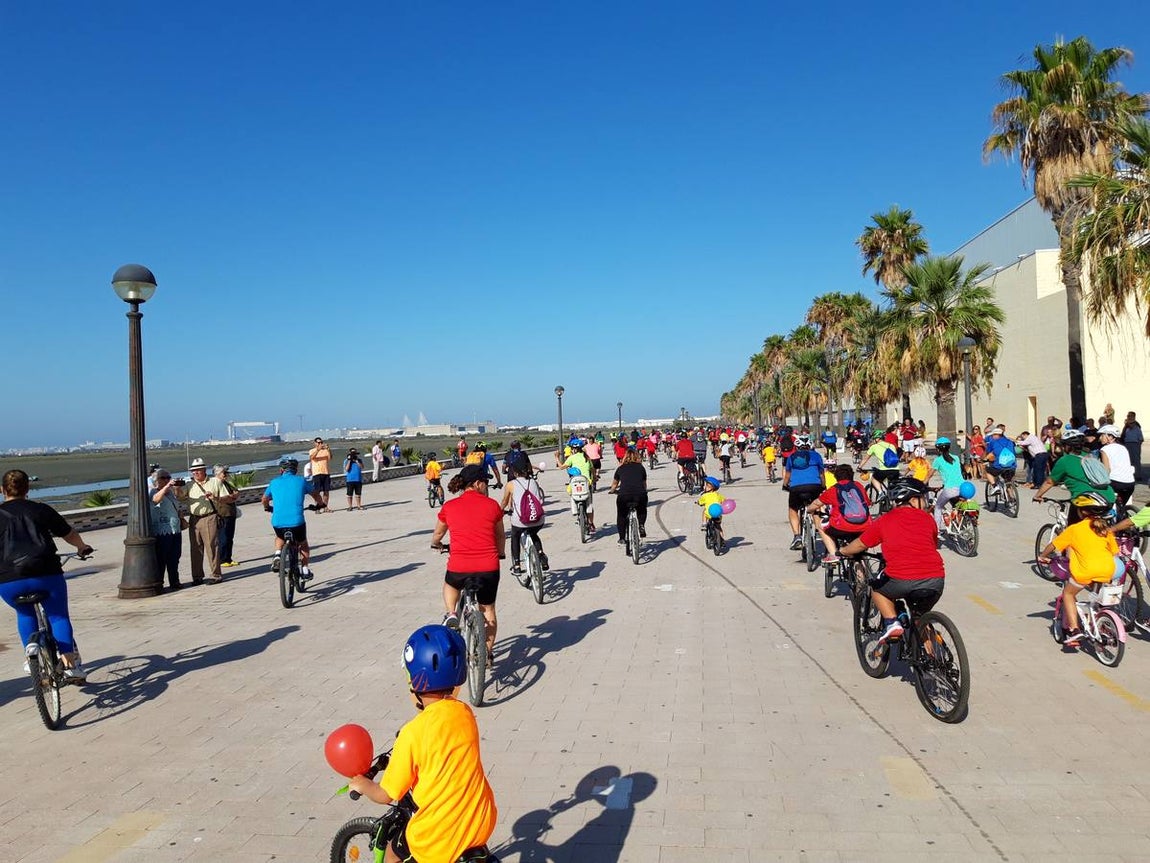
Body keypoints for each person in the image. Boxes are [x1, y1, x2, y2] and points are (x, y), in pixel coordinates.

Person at [348, 625, 498, 863]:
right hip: (479, 821)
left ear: (413, 681)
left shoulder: (412, 733)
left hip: (437, 837)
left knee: (393, 855)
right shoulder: (464, 714)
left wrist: (363, 785)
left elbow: (386, 794)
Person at [0, 469, 93, 681]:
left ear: (2, 490)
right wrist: (82, 547)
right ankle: (70, 665)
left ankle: (30, 653)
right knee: (58, 616)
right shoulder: (40, 510)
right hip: (45, 573)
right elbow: (68, 533)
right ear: (28, 489)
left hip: (8, 580)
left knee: (24, 614)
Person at [840, 478, 946, 644]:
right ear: (912, 500)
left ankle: (891, 623)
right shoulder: (928, 519)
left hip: (902, 579)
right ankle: (933, 663)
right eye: (923, 498)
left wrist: (843, 551)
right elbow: (932, 544)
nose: (926, 502)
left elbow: (860, 544)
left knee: (876, 588)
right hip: (936, 580)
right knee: (920, 619)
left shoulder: (884, 520)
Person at [430, 464, 505, 652]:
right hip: (488, 567)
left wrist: (437, 545)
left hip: (459, 567)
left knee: (451, 584)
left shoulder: (449, 506)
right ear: (478, 484)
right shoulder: (492, 505)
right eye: (486, 482)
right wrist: (501, 553)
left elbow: (437, 535)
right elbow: (500, 536)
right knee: (488, 610)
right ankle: (486, 654)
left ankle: (451, 612)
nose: (487, 486)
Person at [1037, 492, 1121, 647]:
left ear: (1082, 511)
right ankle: (1098, 621)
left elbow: (1054, 545)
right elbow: (1115, 552)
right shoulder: (1105, 530)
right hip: (1108, 569)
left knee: (1068, 594)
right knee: (1095, 598)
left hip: (1085, 571)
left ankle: (1075, 630)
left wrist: (1042, 556)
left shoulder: (1074, 529)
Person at [1033, 428, 1117, 524]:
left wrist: (1037, 496)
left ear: (1067, 447)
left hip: (1087, 500)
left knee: (1072, 529)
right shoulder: (1090, 456)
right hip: (1108, 498)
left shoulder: (1065, 460)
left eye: (1063, 445)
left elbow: (1049, 482)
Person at [177, 457, 235, 584]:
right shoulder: (189, 485)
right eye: (193, 471)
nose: (195, 473)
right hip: (194, 518)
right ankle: (197, 577)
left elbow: (229, 498)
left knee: (212, 546)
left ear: (204, 470)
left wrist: (215, 498)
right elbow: (180, 497)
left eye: (198, 470)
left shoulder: (215, 482)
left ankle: (216, 575)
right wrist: (176, 487)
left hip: (209, 517)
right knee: (195, 548)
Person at [262, 458, 322, 580]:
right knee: (303, 544)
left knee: (280, 537)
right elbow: (315, 494)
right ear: (295, 470)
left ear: (281, 470)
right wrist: (320, 504)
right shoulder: (301, 481)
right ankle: (305, 570)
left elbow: (264, 499)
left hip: (278, 521)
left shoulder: (274, 482)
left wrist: (267, 507)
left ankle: (278, 555)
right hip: (297, 522)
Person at [808, 464, 871, 564]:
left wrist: (809, 510)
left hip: (842, 527)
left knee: (821, 526)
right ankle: (861, 573)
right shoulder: (858, 486)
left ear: (836, 476)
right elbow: (868, 503)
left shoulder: (833, 489)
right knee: (858, 556)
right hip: (865, 526)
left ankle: (833, 554)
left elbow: (816, 503)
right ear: (851, 475)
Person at [500, 463, 548, 575]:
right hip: (538, 519)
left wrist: (500, 511)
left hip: (520, 521)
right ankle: (541, 555)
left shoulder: (511, 484)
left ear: (515, 473)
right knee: (533, 533)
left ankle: (517, 565)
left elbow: (504, 502)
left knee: (515, 536)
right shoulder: (534, 482)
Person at [784, 435, 825, 550]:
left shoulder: (792, 457)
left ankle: (797, 536)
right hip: (814, 486)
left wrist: (785, 485)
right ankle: (818, 530)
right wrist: (823, 485)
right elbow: (821, 473)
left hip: (796, 488)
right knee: (815, 508)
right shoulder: (816, 456)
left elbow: (787, 475)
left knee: (793, 509)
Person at [150, 468, 184, 591]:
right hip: (162, 530)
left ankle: (175, 581)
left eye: (168, 477)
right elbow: (155, 500)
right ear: (156, 480)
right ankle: (159, 583)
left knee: (175, 557)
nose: (166, 480)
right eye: (163, 478)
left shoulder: (170, 493)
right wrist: (166, 487)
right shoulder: (153, 492)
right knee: (161, 558)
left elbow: (180, 497)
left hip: (175, 529)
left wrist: (177, 487)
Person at [609, 448, 648, 546]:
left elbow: (614, 484)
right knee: (642, 510)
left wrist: (612, 491)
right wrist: (644, 491)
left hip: (624, 495)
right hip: (640, 494)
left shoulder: (620, 468)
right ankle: (641, 525)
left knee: (621, 515)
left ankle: (622, 538)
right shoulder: (641, 467)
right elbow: (644, 484)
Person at [926, 437, 966, 529]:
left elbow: (929, 475)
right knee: (957, 506)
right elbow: (955, 473)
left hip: (950, 489)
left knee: (938, 507)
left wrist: (921, 484)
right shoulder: (956, 457)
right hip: (963, 487)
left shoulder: (938, 460)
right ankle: (960, 525)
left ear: (937, 448)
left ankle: (937, 530)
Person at [561, 438, 596, 532]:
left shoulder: (571, 458)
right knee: (589, 504)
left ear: (573, 449)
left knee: (572, 496)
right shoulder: (586, 457)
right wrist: (594, 478)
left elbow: (561, 467)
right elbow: (592, 470)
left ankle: (576, 512)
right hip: (586, 483)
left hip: (575, 484)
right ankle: (591, 523)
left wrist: (556, 457)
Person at [1098, 424, 1136, 507]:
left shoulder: (1104, 449)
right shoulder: (1123, 448)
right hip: (1130, 483)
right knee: (1121, 508)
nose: (1100, 438)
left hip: (1115, 483)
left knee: (1103, 503)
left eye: (1102, 435)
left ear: (1110, 436)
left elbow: (1106, 470)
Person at [213, 464, 240, 567]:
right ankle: (222, 559)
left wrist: (233, 496)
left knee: (229, 537)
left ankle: (228, 558)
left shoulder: (226, 483)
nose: (226, 475)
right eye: (224, 473)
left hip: (230, 513)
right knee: (223, 537)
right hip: (222, 514)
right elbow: (223, 498)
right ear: (218, 474)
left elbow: (236, 492)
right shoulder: (216, 483)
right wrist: (231, 497)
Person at [982, 426, 1017, 500]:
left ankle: (995, 486)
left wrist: (984, 459)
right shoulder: (1010, 441)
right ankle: (1012, 497)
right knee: (1008, 480)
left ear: (997, 435)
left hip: (999, 466)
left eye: (993, 435)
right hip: (1012, 465)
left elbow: (989, 453)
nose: (992, 436)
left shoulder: (993, 442)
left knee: (988, 470)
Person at [697, 475, 726, 545]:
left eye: (706, 486)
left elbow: (700, 502)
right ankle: (722, 540)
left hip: (709, 512)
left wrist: (698, 502)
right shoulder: (718, 495)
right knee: (719, 527)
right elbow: (724, 501)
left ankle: (704, 523)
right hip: (718, 513)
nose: (705, 487)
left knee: (704, 511)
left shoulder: (705, 495)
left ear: (711, 488)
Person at [309, 438, 332, 512]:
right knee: (317, 492)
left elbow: (330, 458)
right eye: (318, 442)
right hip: (317, 473)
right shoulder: (312, 451)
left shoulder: (325, 450)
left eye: (321, 442)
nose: (320, 444)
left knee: (326, 491)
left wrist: (328, 449)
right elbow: (312, 457)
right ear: (315, 443)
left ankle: (325, 507)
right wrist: (318, 450)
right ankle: (317, 508)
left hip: (326, 472)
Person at [1121, 411, 1143, 482]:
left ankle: (1137, 475)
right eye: (1128, 416)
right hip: (1127, 443)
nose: (1128, 417)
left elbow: (1140, 438)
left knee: (1136, 460)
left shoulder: (1136, 425)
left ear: (1133, 417)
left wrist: (1138, 444)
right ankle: (1130, 475)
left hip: (1135, 443)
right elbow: (1123, 435)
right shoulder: (1126, 426)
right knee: (1128, 460)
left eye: (1130, 416)